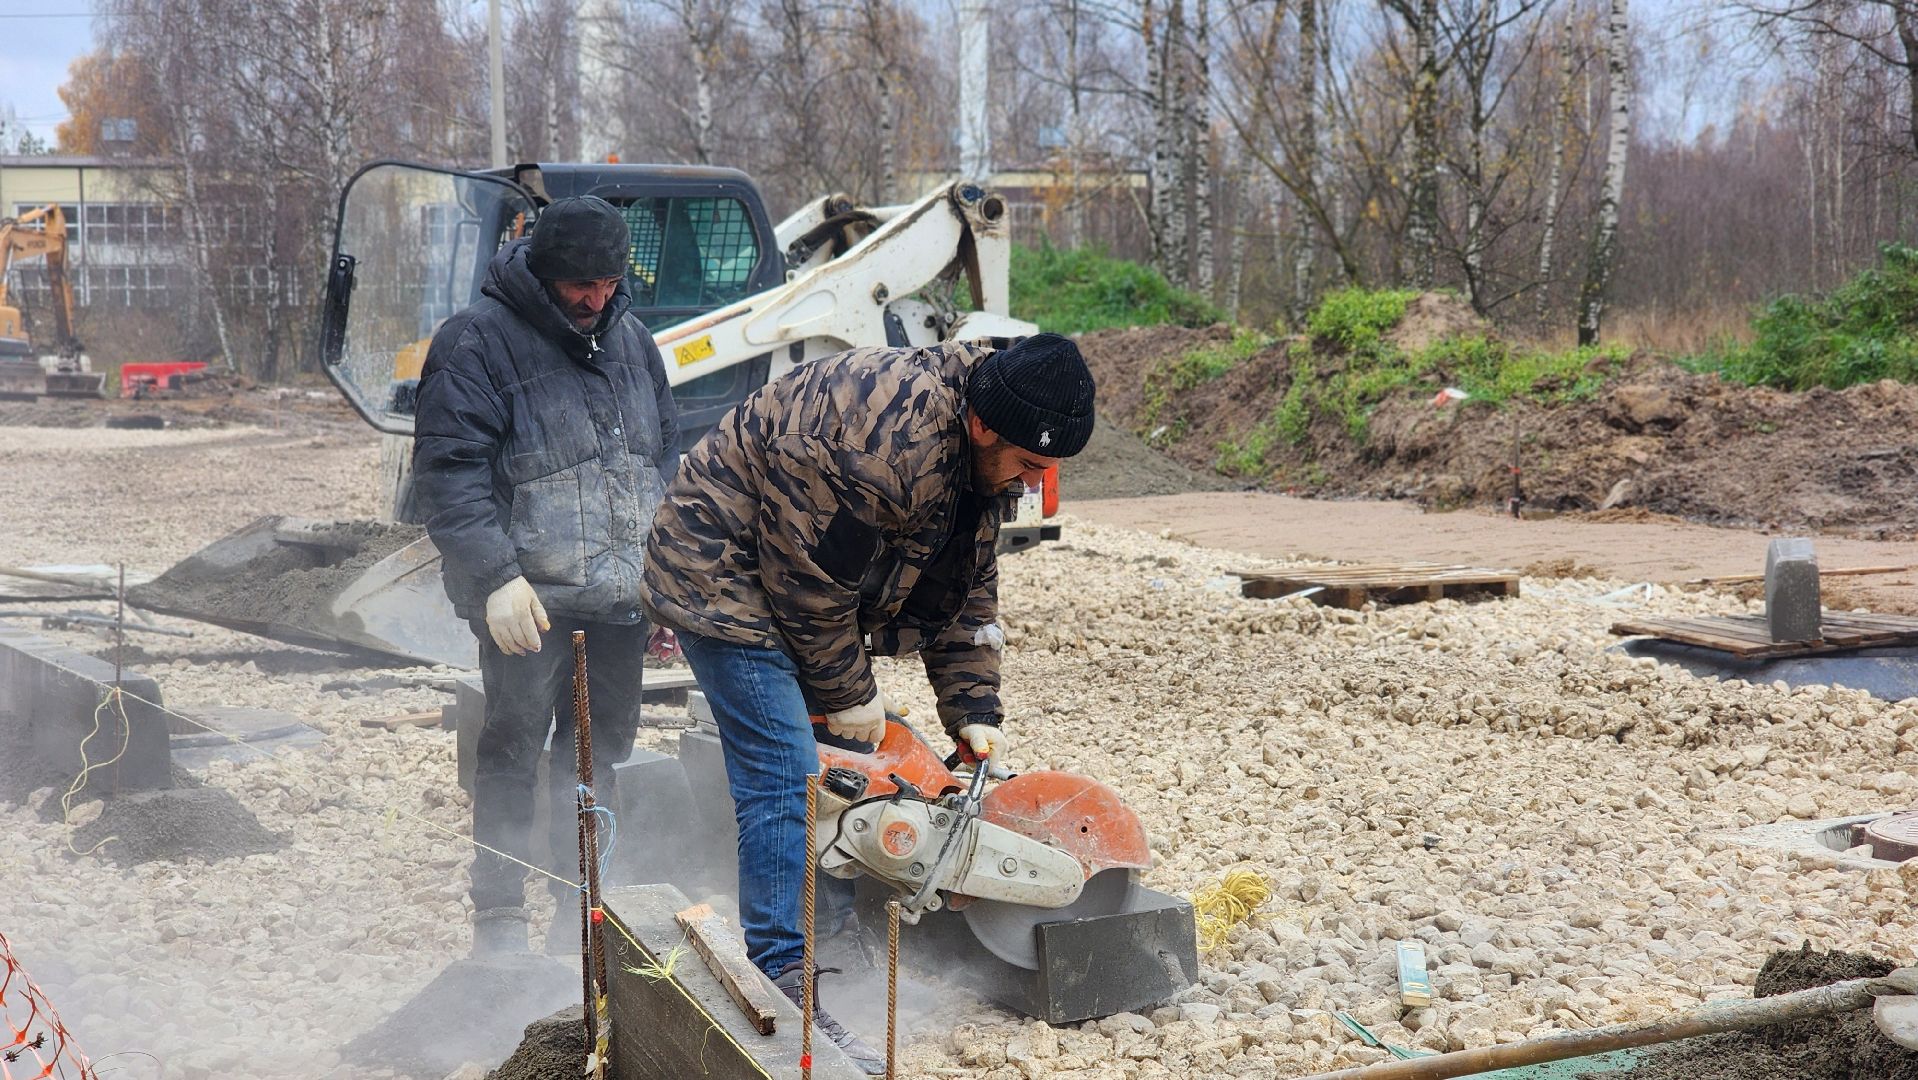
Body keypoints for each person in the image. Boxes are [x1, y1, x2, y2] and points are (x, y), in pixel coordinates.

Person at [642, 333, 1095, 1072]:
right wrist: (849, 693)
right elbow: (806, 586)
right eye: (1030, 464)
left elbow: (966, 576)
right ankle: (785, 977)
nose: (1035, 481)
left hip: (801, 578)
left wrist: (973, 702)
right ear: (984, 427)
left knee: (848, 770)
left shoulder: (988, 436)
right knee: (789, 773)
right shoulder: (886, 444)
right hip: (721, 570)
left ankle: (838, 951)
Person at [412, 195, 679, 957]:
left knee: (599, 757)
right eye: (579, 287)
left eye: (607, 283)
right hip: (525, 602)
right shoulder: (476, 343)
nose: (595, 300)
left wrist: (657, 575)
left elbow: (661, 457)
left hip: (620, 603)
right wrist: (495, 576)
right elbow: (448, 474)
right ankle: (497, 921)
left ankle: (581, 911)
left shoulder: (633, 341)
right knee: (512, 749)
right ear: (542, 269)